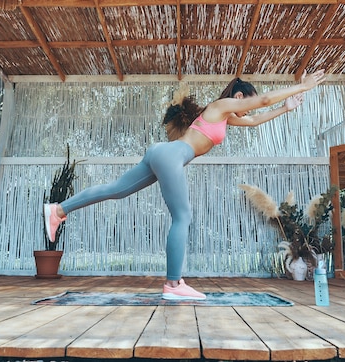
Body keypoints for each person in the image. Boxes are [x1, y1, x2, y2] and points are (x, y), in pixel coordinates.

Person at [44, 69, 326, 300]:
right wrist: (301, 86)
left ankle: (58, 210)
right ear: (239, 96)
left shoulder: (224, 117)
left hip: (162, 153)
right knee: (182, 216)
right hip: (171, 156)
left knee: (115, 190)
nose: (245, 108)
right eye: (245, 102)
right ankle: (173, 284)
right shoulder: (222, 105)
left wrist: (286, 109)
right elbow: (262, 102)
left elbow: (254, 119)